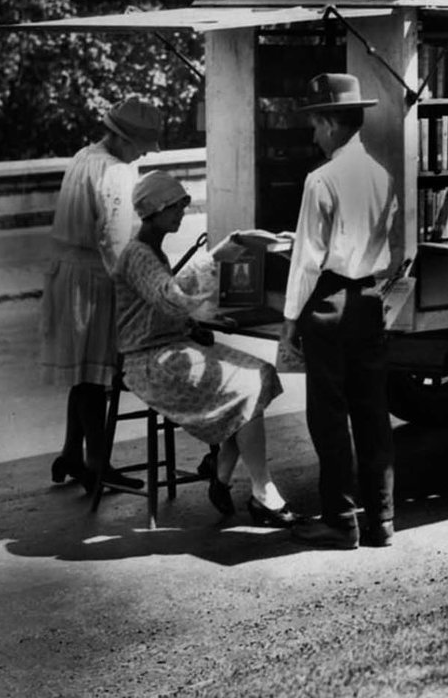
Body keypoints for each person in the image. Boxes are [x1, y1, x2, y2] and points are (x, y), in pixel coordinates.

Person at [112, 171, 297, 526]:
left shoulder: (151, 250)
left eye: (183, 206)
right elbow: (169, 297)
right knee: (243, 387)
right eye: (175, 208)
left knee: (260, 373)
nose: (182, 213)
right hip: (149, 361)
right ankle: (264, 491)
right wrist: (212, 271)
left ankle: (222, 475)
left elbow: (157, 307)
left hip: (172, 346)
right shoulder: (138, 255)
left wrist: (194, 326)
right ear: (155, 210)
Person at [281, 74, 399, 549]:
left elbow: (307, 259)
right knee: (373, 412)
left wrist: (290, 319)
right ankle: (382, 518)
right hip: (369, 298)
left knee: (329, 417)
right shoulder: (381, 174)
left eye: (315, 124)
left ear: (330, 122)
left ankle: (340, 518)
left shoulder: (321, 179)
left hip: (329, 302)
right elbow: (384, 242)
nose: (313, 134)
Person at [41, 95, 162, 492]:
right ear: (127, 141)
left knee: (83, 371)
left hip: (66, 271)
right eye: (144, 145)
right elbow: (113, 240)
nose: (144, 153)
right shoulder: (116, 172)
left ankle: (72, 451)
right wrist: (132, 285)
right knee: (96, 374)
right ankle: (97, 462)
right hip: (94, 276)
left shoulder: (83, 156)